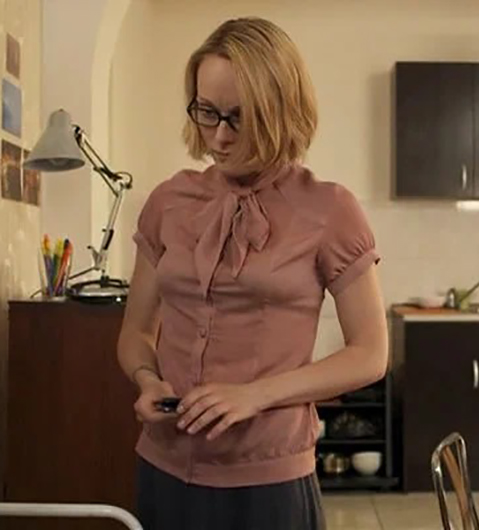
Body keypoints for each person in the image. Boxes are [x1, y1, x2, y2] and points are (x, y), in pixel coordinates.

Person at [116, 17, 388, 529]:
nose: (219, 136)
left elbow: (370, 355)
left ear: (280, 111)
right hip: (163, 466)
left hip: (269, 480)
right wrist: (146, 379)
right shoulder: (168, 201)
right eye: (207, 112)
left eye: (239, 118)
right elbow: (136, 332)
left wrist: (254, 395)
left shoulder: (330, 209)